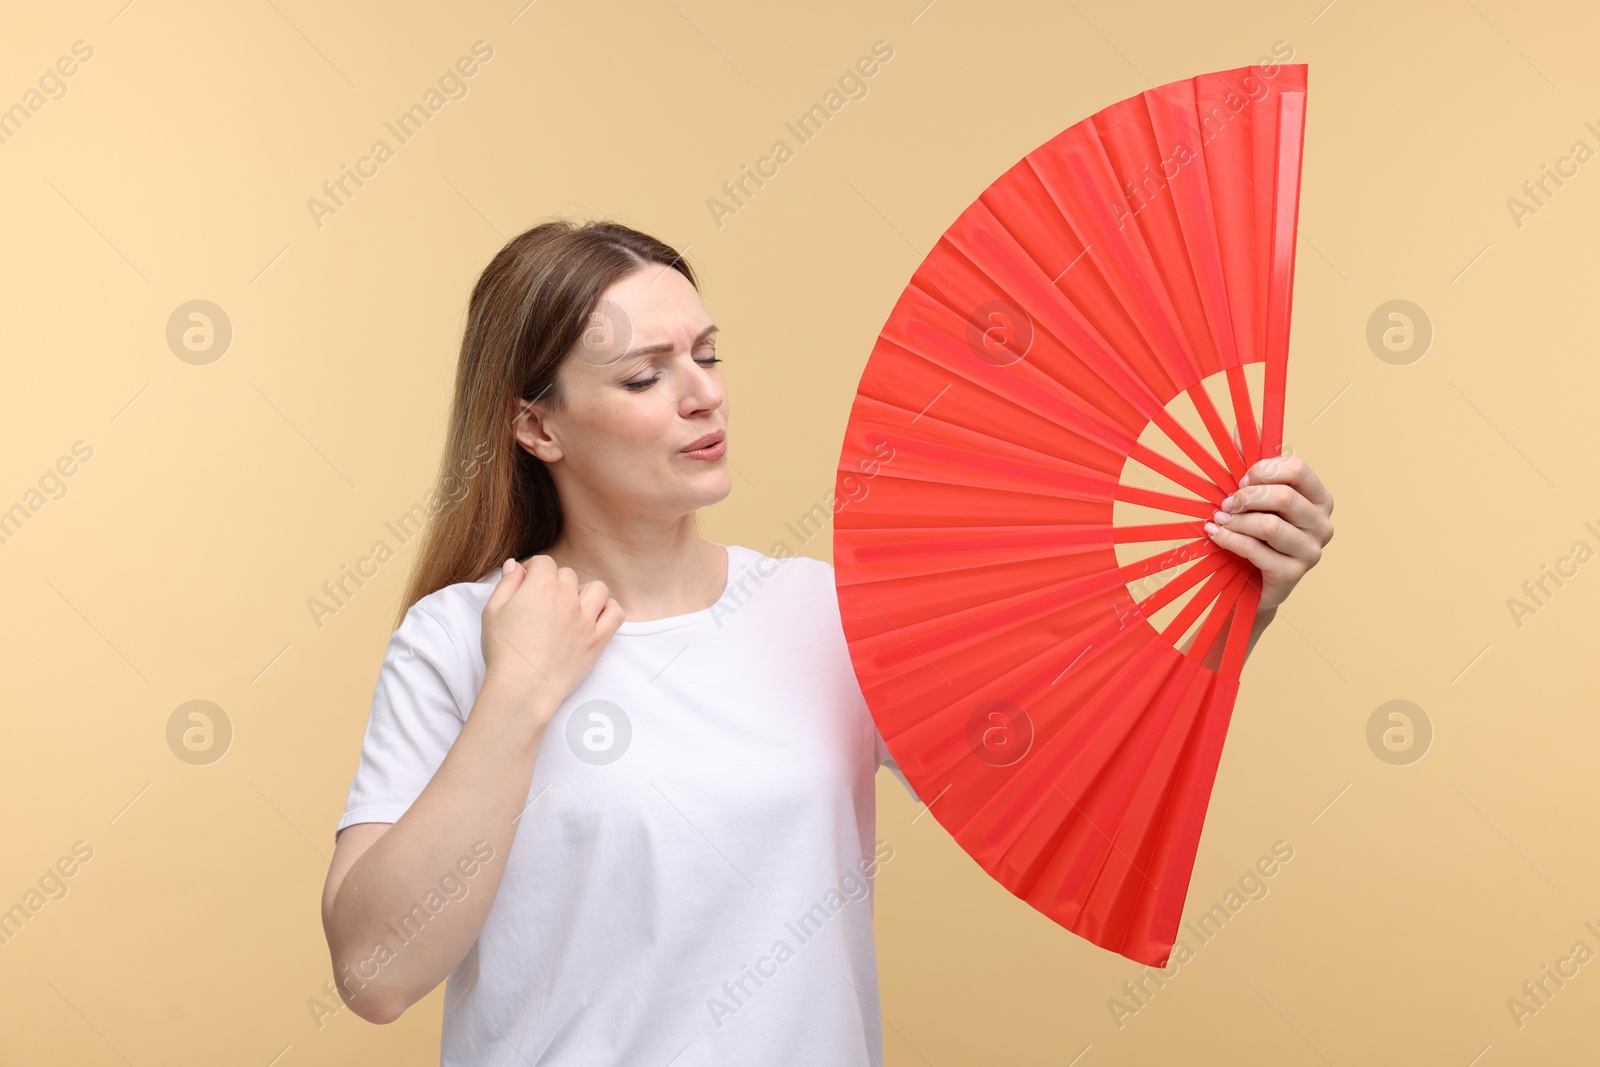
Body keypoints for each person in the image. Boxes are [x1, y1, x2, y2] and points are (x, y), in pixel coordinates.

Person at [319, 218, 1335, 1066]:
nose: (703, 393)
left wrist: (1243, 594)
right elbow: (376, 972)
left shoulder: (825, 615)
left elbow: (1081, 767)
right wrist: (519, 695)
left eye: (707, 355)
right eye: (643, 376)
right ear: (536, 427)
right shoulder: (457, 639)